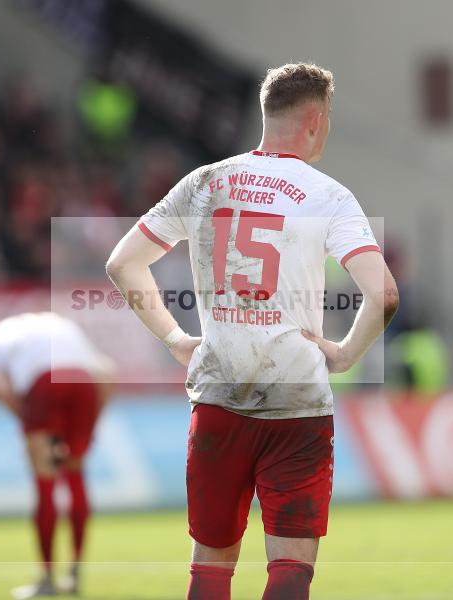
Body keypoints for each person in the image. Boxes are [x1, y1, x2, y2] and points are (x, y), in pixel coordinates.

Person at [107, 63, 398, 600]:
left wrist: (175, 339)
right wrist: (344, 355)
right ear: (315, 121)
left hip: (219, 396)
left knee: (211, 566)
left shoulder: (204, 183)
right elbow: (384, 294)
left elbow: (123, 263)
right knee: (290, 567)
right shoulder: (329, 196)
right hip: (297, 403)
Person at [0, 312, 113, 599]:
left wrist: (29, 420)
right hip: (84, 384)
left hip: (43, 384)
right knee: (76, 476)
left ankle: (47, 578)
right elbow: (107, 373)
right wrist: (91, 425)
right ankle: (75, 571)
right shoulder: (59, 324)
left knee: (45, 485)